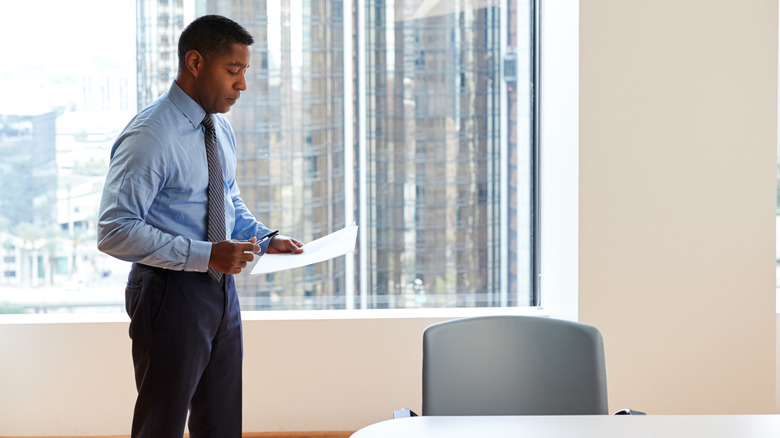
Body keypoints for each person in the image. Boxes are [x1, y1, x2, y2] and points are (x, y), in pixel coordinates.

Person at [97, 15, 303, 438]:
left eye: (244, 71)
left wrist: (265, 239)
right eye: (233, 70)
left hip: (221, 291)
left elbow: (226, 199)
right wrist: (206, 254)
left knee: (223, 422)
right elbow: (114, 229)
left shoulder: (219, 127)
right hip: (167, 293)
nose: (242, 84)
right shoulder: (150, 136)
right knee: (162, 425)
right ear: (195, 62)